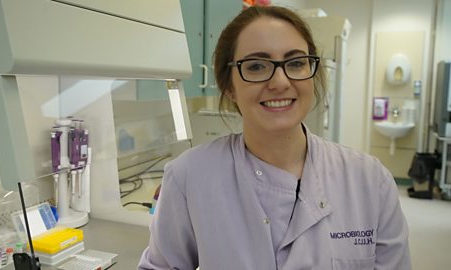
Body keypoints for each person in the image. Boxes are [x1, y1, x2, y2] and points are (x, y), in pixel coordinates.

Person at [138, 5, 411, 270]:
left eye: (295, 63)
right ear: (228, 86)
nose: (280, 82)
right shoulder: (189, 177)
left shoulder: (370, 181)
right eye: (256, 66)